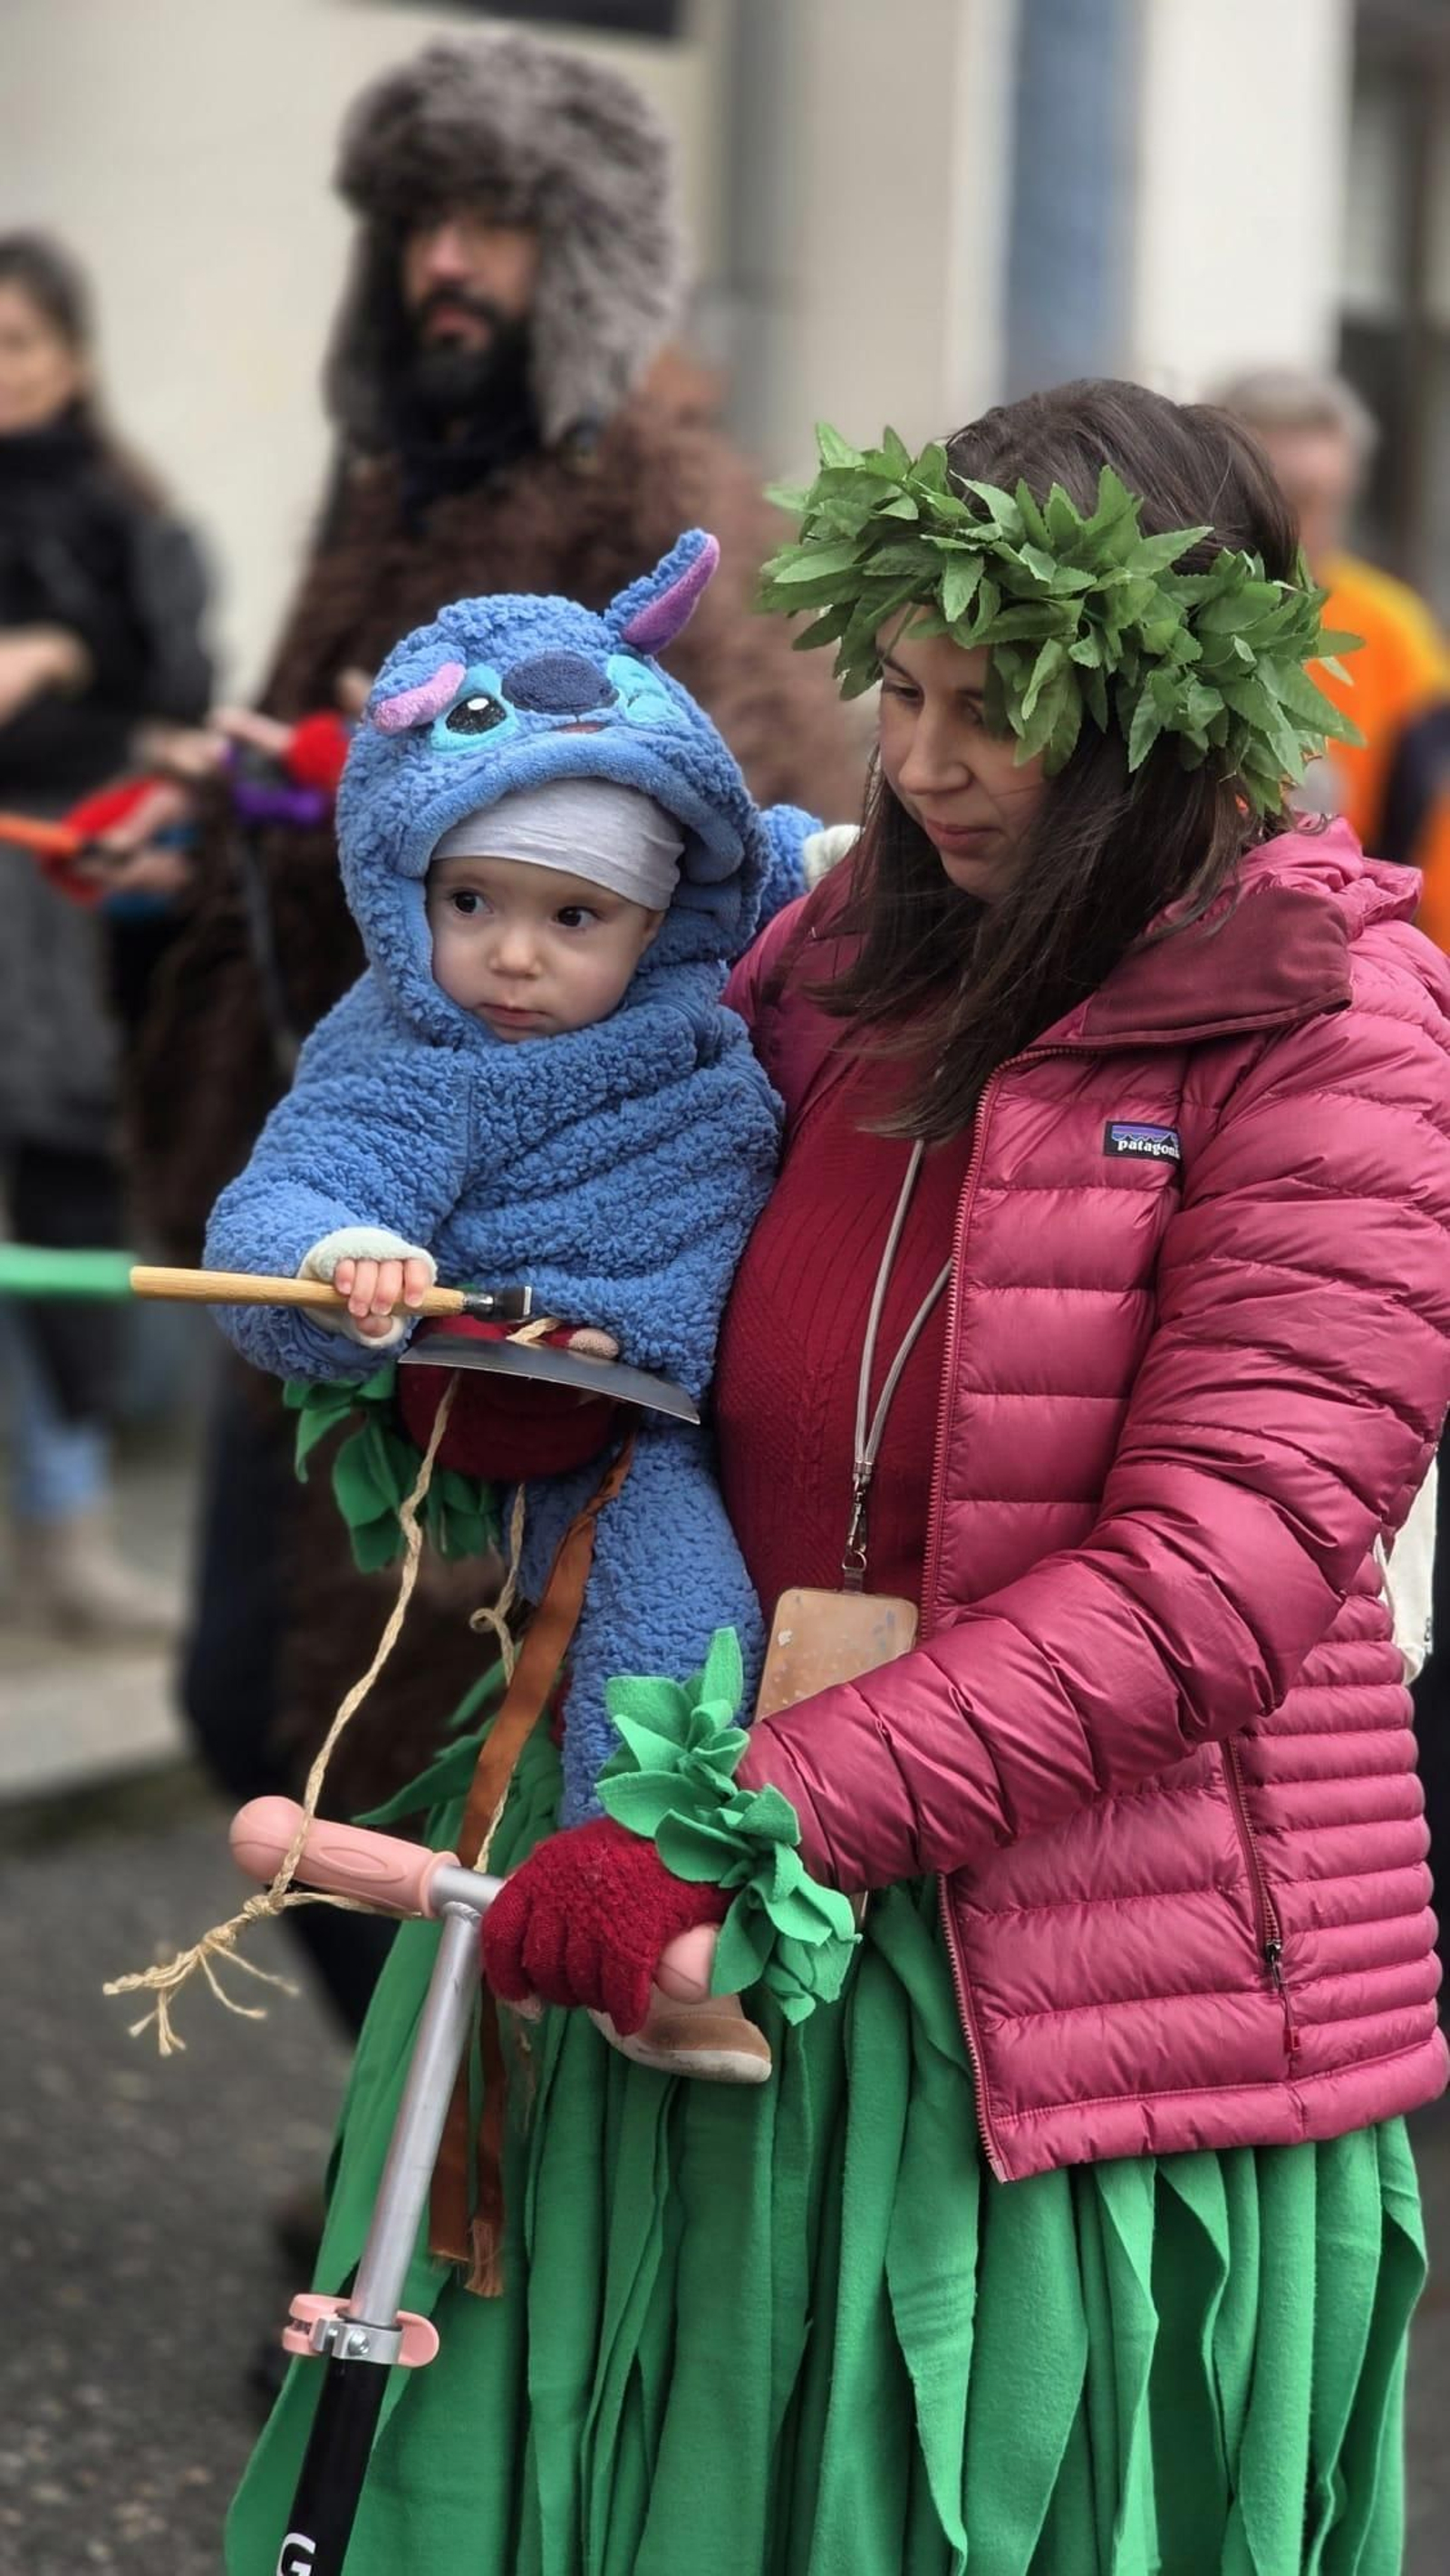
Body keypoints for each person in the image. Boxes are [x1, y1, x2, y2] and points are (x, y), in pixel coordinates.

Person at [227, 380, 1450, 2572]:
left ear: (1159, 715)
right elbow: (613, 1204)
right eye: (893, 690)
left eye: (993, 715)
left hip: (1063, 1975)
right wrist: (497, 1382)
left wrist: (736, 1825)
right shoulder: (824, 941)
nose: (915, 762)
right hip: (685, 1879)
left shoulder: (1332, 1024)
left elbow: (1224, 1567)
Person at [127, 28, 863, 2038]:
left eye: (497, 225)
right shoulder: (394, 484)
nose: (445, 263)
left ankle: (459, 2186)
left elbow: (725, 892)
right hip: (314, 1217)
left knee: (423, 1754)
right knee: (258, 1718)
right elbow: (361, 837)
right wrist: (216, 827)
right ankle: (435, 2149)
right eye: (416, 224)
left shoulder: (659, 504)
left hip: (520, 1298)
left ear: (590, 252)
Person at [205, 535, 809, 2082]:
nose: (515, 957)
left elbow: (789, 854)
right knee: (673, 1620)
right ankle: (653, 1940)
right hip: (594, 1412)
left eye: (572, 917)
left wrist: (865, 856)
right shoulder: (412, 1058)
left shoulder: (710, 951)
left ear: (665, 911)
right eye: (471, 899)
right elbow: (279, 1208)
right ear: (409, 886)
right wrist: (345, 1256)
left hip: (781, 1368)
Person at [0, 231, 210, 1636]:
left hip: (61, 916)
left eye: (15, 341)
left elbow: (182, 702)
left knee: (57, 1186)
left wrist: (61, 651)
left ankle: (61, 1530)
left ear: (72, 356)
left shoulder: (133, 520)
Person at [1215, 364, 1450, 944]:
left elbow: (1435, 848)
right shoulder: (1164, 624)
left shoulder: (1392, 631)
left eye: (1325, 500)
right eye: (1286, 498)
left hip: (1349, 950)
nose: (1305, 526)